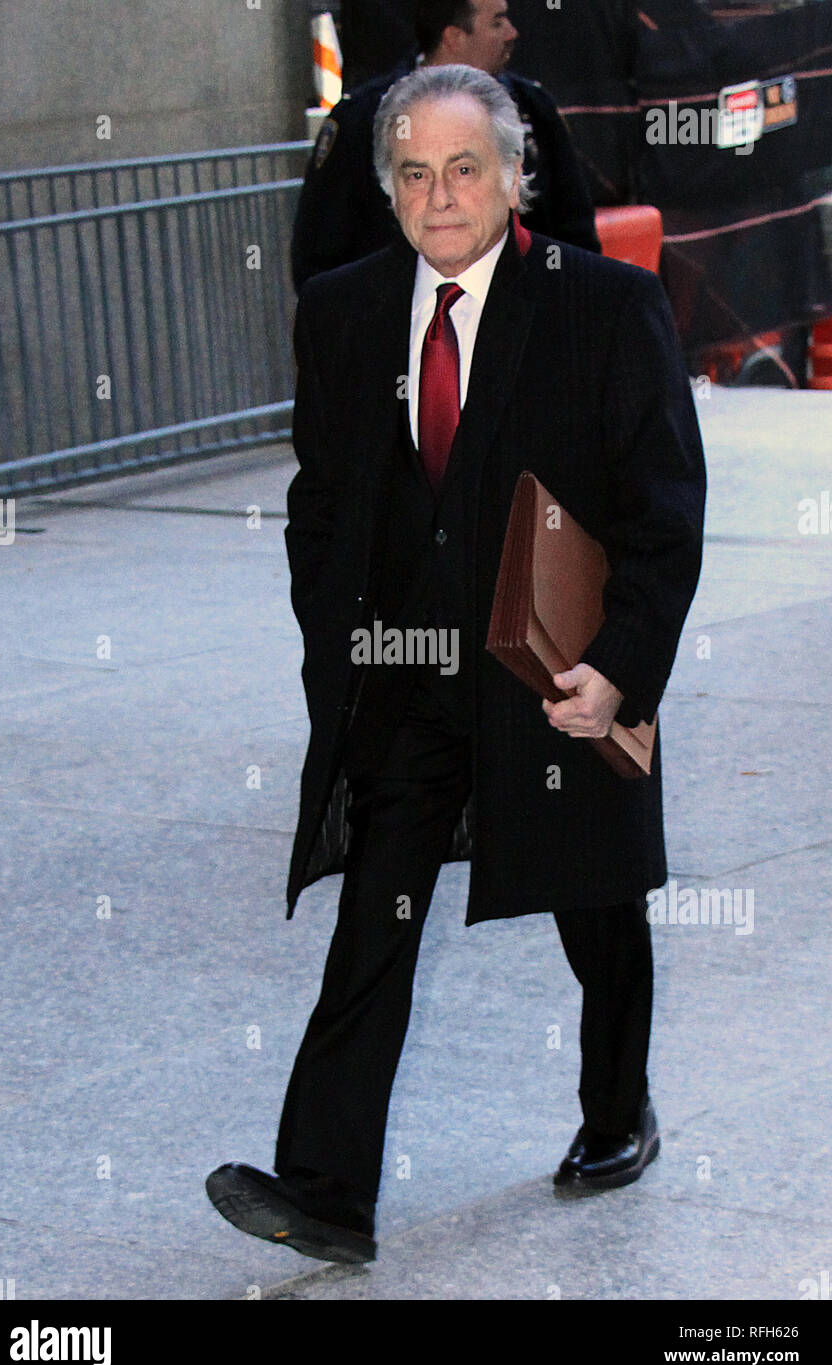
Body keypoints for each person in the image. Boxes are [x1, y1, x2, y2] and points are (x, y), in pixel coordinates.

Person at [206, 62, 706, 1266]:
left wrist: (620, 668)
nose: (440, 196)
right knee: (373, 922)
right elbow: (319, 499)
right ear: (388, 188)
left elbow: (662, 509)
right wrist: (334, 641)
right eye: (415, 173)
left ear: (514, 174)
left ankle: (613, 1111)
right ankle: (328, 1190)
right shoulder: (341, 311)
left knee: (595, 908)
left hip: (553, 674)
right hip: (404, 678)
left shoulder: (599, 307)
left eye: (464, 168)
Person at [290, 0, 600, 291]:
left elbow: (574, 229)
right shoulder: (363, 120)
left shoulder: (532, 109)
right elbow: (319, 253)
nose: (512, 33)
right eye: (497, 23)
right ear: (454, 37)